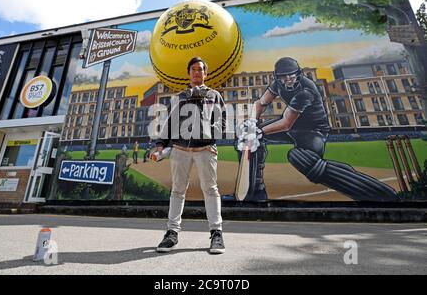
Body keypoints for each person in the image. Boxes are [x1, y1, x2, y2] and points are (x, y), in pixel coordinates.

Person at [237, 57, 399, 202]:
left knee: (304, 161)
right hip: (293, 128)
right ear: (277, 77)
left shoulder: (305, 91)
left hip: (312, 131)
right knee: (247, 138)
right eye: (283, 76)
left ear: (298, 74)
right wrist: (252, 121)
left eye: (291, 75)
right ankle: (256, 190)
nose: (287, 79)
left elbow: (286, 122)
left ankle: (369, 190)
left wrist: (259, 131)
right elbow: (261, 103)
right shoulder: (277, 84)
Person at [154, 57, 226, 254]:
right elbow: (169, 123)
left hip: (205, 149)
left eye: (201, 69)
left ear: (205, 73)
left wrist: (207, 132)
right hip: (180, 150)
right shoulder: (179, 97)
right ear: (189, 73)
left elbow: (222, 123)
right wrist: (160, 144)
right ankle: (171, 234)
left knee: (211, 190)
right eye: (193, 69)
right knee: (177, 190)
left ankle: (216, 233)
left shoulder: (214, 95)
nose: (197, 72)